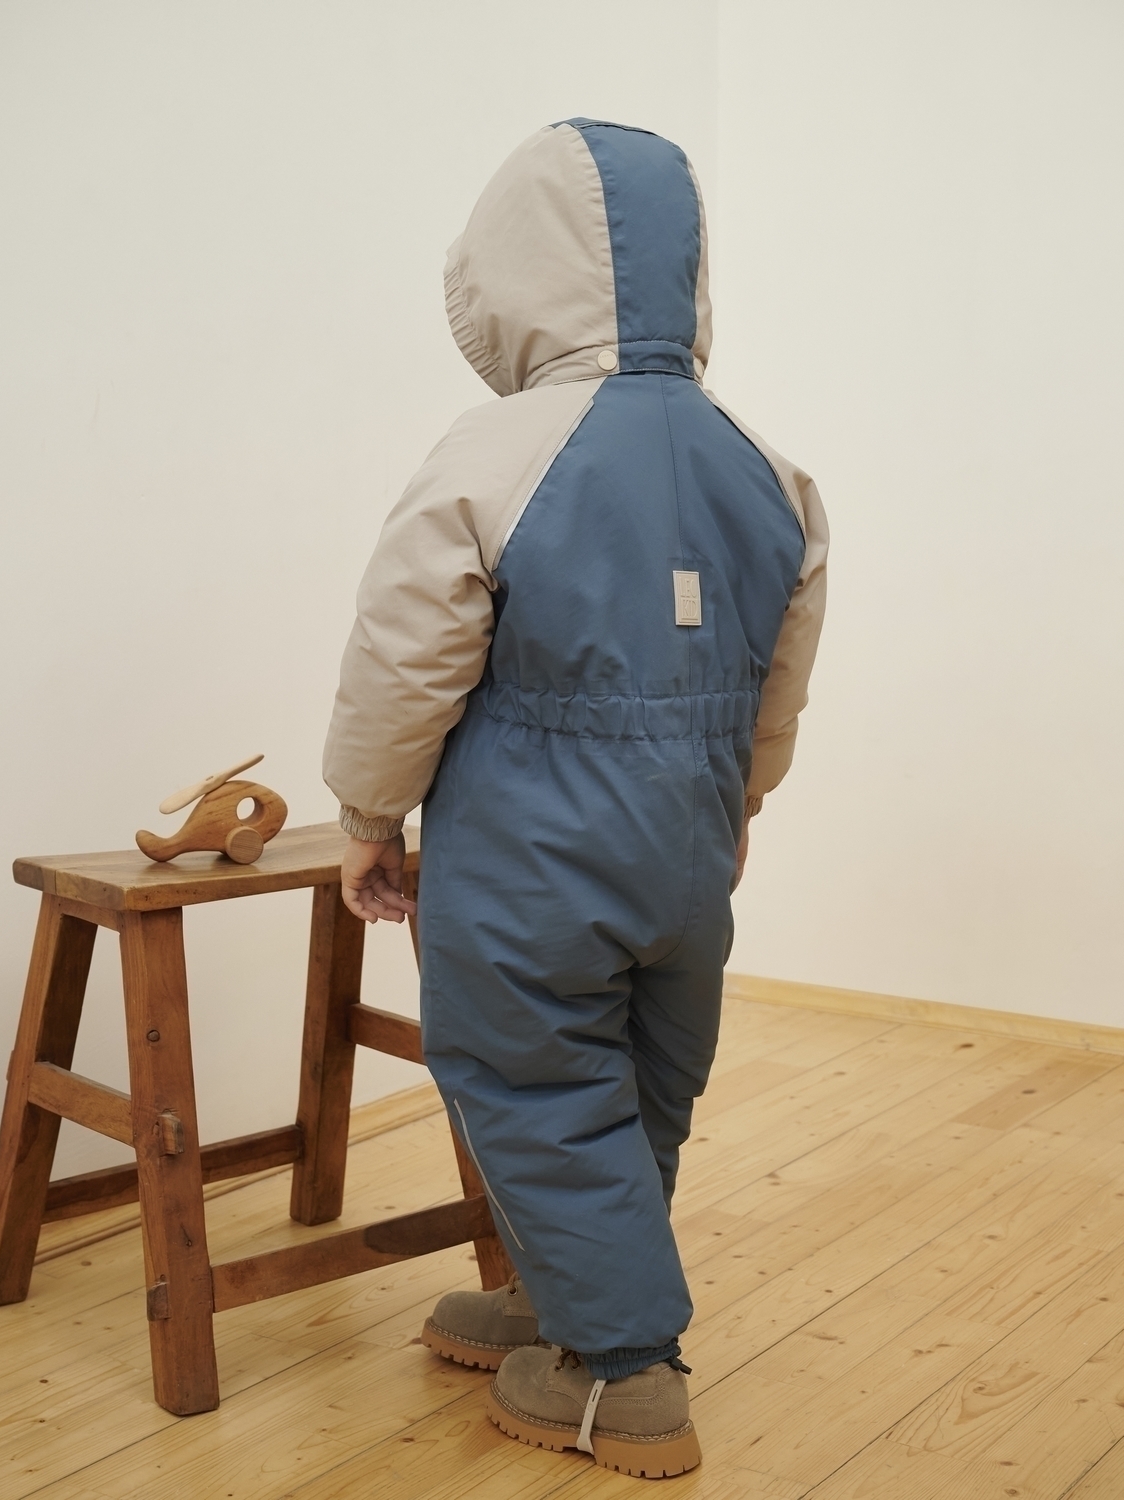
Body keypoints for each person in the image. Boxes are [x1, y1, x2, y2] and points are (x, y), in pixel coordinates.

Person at [322, 118, 828, 1480]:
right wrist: (741, 803)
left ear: (512, 271)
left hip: (531, 839)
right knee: (642, 1078)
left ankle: (619, 1374)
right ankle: (565, 1295)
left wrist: (369, 814)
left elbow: (407, 654)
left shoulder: (495, 452)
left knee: (533, 1078)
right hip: (688, 849)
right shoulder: (764, 464)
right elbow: (780, 676)